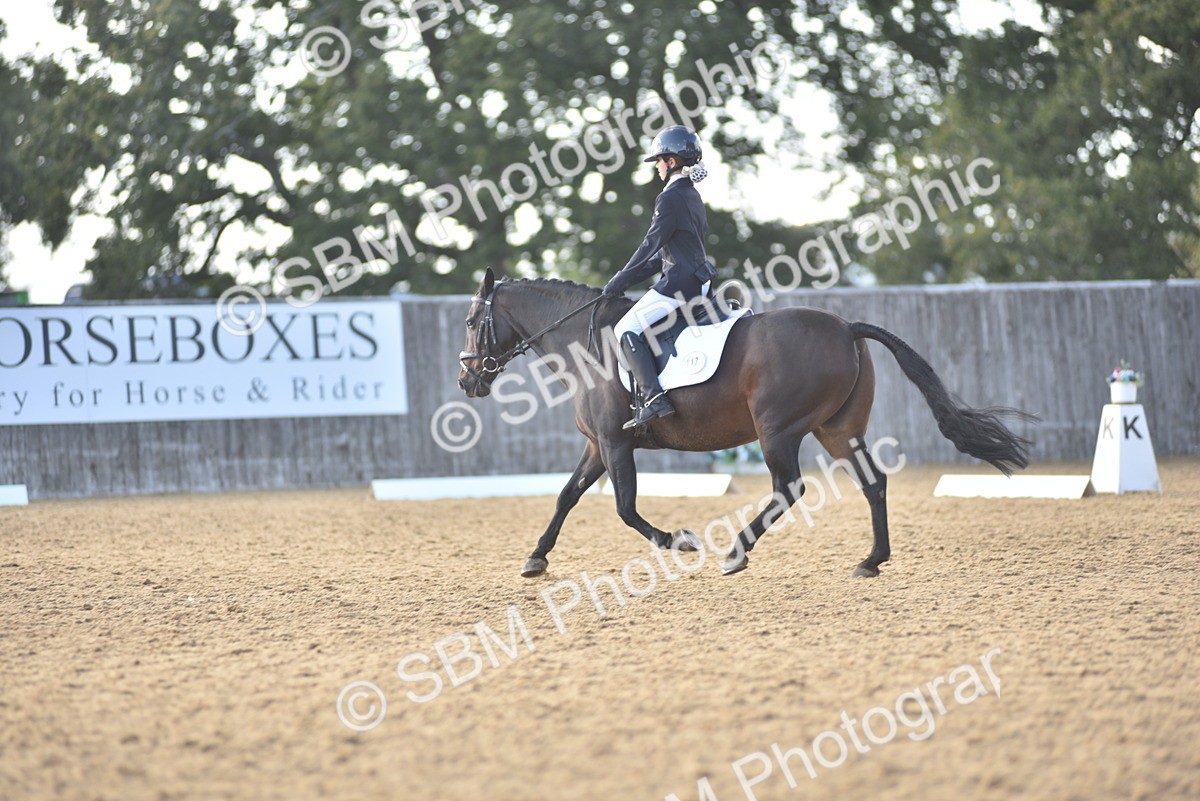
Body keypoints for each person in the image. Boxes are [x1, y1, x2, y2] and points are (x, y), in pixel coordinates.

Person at [603, 125, 715, 430]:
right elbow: (666, 254)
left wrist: (619, 281)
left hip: (680, 285)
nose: (656, 166)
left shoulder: (669, 199)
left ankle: (654, 399)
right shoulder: (692, 195)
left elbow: (649, 245)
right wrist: (629, 278)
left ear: (671, 161)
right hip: (700, 280)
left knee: (627, 328)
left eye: (658, 160)